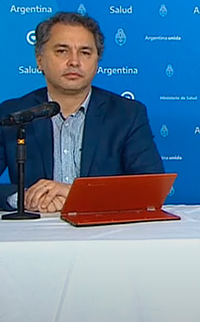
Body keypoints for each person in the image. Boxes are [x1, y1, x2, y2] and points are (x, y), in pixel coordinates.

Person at [0, 12, 164, 212]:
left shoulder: (127, 114)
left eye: (85, 52)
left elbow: (150, 190)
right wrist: (23, 198)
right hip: (37, 226)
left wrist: (76, 194)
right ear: (39, 59)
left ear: (96, 62)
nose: (74, 62)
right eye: (62, 51)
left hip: (103, 227)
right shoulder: (14, 114)